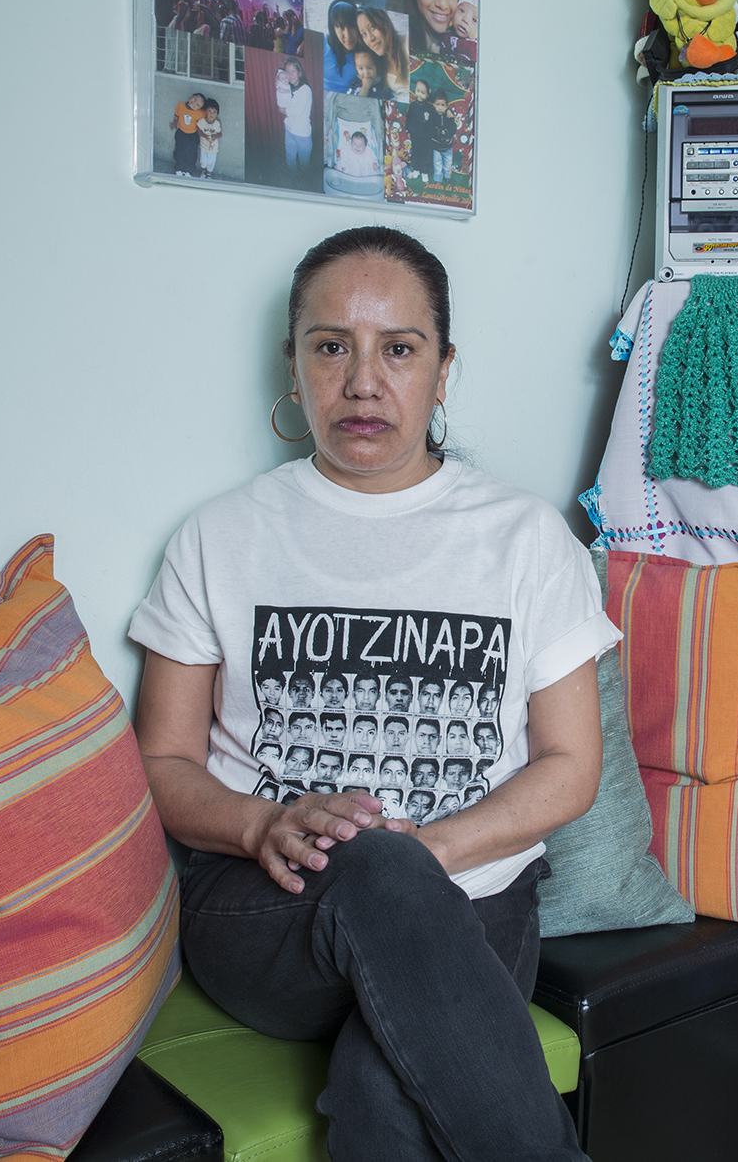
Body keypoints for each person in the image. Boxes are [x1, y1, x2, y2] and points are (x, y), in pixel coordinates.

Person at [130, 227, 610, 1160]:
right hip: (269, 909)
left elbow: (570, 763)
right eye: (330, 345)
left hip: (472, 894)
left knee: (388, 1092)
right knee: (379, 877)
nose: (362, 380)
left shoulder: (523, 537)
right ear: (295, 361)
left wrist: (424, 853)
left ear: (442, 368)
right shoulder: (219, 537)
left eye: (398, 347)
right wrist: (261, 826)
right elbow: (162, 761)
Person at [355, 6, 409, 98]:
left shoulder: (407, 44)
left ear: (384, 23)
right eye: (364, 34)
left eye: (372, 27)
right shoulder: (376, 59)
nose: (370, 38)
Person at [277, 58, 314, 173]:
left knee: (304, 165)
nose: (290, 75)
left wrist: (283, 109)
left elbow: (297, 111)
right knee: (290, 161)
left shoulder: (306, 90)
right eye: (287, 71)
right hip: (289, 130)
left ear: (299, 72)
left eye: (293, 71)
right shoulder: (289, 88)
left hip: (302, 134)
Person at [321, 1, 362, 95]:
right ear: (333, 28)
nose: (347, 35)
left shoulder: (362, 52)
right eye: (340, 27)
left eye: (352, 26)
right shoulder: (323, 42)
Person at [403, 79, 435, 181]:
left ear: (428, 95)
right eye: (418, 91)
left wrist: (431, 133)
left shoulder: (430, 108)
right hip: (415, 135)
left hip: (426, 137)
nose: (420, 95)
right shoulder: (412, 106)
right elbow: (408, 119)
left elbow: (433, 122)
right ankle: (416, 169)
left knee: (425, 154)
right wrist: (408, 130)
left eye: (423, 93)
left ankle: (424, 171)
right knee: (415, 152)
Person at [172, 92, 205, 176]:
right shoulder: (181, 105)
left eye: (198, 105)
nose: (194, 104)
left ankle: (188, 170)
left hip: (192, 135)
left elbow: (209, 117)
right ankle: (179, 168)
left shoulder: (200, 113)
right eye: (194, 99)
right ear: (191, 96)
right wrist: (174, 122)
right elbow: (177, 114)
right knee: (179, 151)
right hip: (181, 132)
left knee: (191, 153)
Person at [428, 92, 456, 185]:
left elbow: (453, 129)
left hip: (447, 146)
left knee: (448, 162)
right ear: (434, 105)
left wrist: (446, 132)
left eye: (443, 105)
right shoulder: (432, 116)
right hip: (436, 146)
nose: (440, 108)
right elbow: (431, 129)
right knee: (437, 163)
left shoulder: (449, 116)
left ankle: (447, 176)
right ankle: (438, 178)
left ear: (447, 106)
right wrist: (440, 132)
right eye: (438, 105)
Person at [195, 98, 224, 179]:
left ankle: (209, 175)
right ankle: (203, 172)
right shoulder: (202, 121)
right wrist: (204, 135)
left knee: (211, 162)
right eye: (209, 111)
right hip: (204, 146)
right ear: (205, 112)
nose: (211, 114)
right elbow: (198, 130)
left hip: (213, 148)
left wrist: (216, 136)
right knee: (203, 161)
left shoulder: (217, 123)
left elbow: (220, 134)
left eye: (214, 112)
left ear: (217, 114)